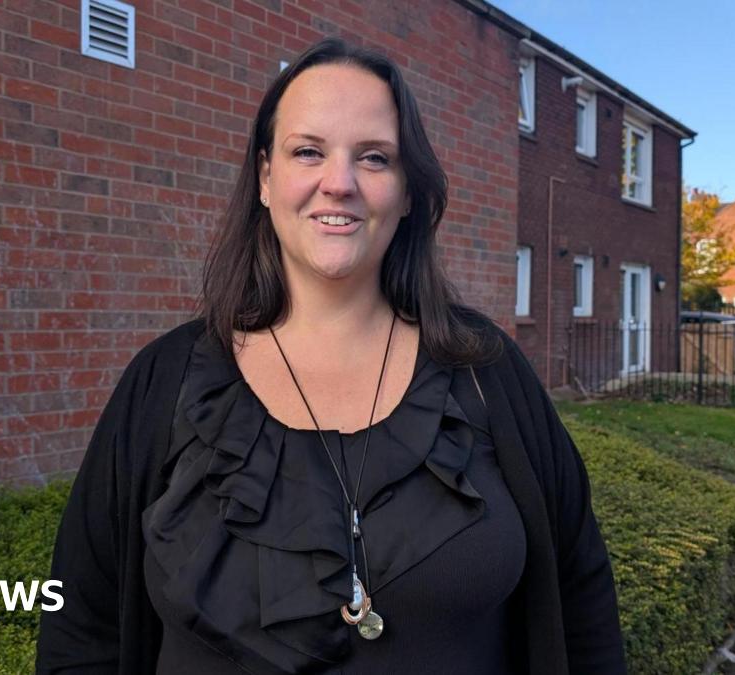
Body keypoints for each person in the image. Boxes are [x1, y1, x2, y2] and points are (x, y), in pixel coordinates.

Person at [36, 38, 625, 674]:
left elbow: (581, 600)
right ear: (265, 178)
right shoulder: (164, 382)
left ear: (405, 191)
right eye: (308, 151)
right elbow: (81, 625)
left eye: (374, 158)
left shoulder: (489, 373)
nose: (338, 183)